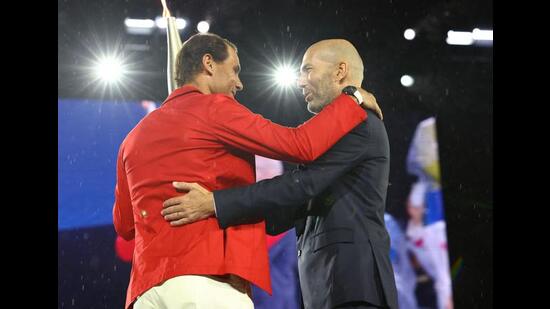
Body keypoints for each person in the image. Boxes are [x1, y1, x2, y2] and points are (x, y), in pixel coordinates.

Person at [112, 33, 379, 309]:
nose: (239, 83)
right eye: (235, 70)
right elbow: (302, 145)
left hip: (145, 294)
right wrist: (353, 98)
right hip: (207, 283)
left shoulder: (131, 140)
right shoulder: (215, 109)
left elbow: (124, 226)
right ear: (209, 64)